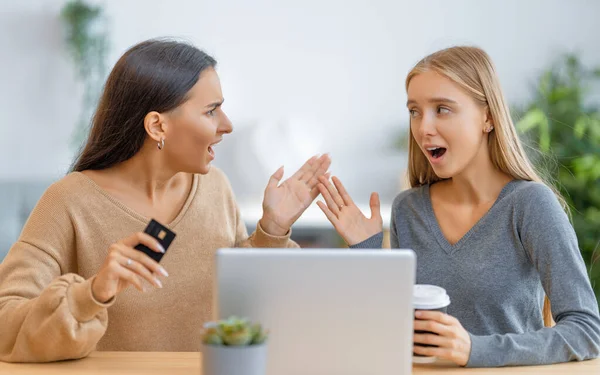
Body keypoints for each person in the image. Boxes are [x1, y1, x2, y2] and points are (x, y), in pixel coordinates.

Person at [0, 38, 330, 363]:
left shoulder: (215, 187)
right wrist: (93, 293)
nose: (227, 125)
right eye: (211, 111)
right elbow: (6, 323)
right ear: (158, 126)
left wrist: (272, 230)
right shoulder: (68, 202)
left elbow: (236, 299)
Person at [316, 46, 600, 367]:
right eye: (414, 111)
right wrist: (367, 253)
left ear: (488, 117)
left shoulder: (530, 205)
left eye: (442, 109)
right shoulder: (408, 209)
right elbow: (395, 329)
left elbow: (586, 331)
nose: (424, 128)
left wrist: (474, 350)